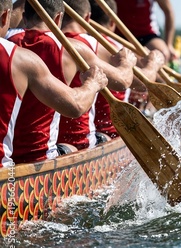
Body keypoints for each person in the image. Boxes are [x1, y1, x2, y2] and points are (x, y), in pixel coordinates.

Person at [6, 0, 137, 163]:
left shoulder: (9, 42)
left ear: (24, 17)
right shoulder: (72, 49)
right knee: (88, 142)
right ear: (58, 19)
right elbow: (123, 81)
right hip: (43, 156)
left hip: (10, 159)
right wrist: (127, 64)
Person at [59, 0, 164, 147]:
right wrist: (153, 64)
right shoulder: (99, 46)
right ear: (87, 19)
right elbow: (141, 83)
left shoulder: (29, 46)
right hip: (86, 141)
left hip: (35, 146)